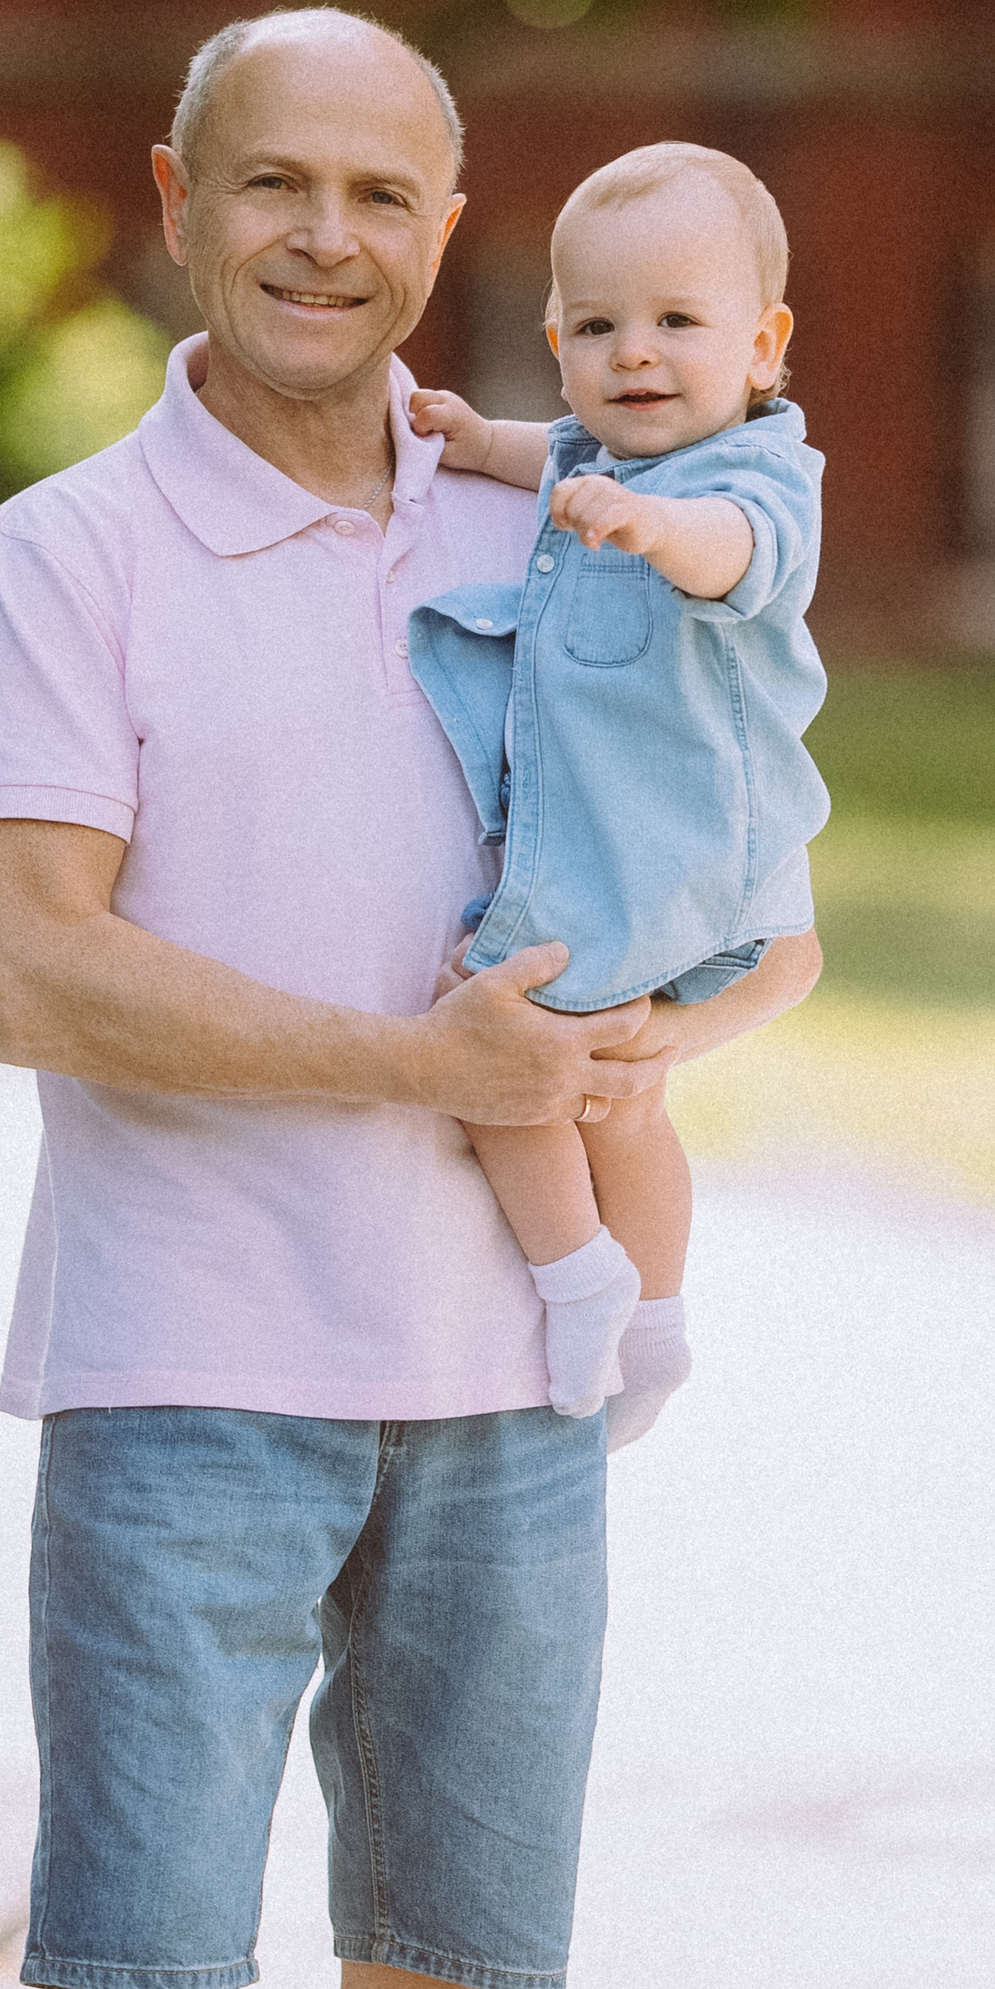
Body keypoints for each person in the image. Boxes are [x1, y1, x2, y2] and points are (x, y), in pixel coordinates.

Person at [0, 9, 819, 1989]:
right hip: (184, 1367)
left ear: (455, 233)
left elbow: (751, 833)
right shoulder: (66, 556)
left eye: (388, 195)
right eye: (278, 183)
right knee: (151, 1957)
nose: (331, 234)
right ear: (177, 197)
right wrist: (421, 1069)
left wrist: (711, 1025)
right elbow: (31, 969)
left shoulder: (546, 509)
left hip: (501, 1393)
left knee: (443, 1950)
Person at [405, 143, 826, 1450]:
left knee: (479, 1026)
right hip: (665, 853)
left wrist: (651, 532)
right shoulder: (598, 452)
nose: (635, 353)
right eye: (598, 326)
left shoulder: (757, 479)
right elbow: (558, 451)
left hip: (650, 856)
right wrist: (481, 440)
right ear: (557, 337)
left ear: (763, 345)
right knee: (627, 1101)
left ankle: (574, 1267)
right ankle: (657, 1319)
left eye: (677, 324)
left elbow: (734, 555)